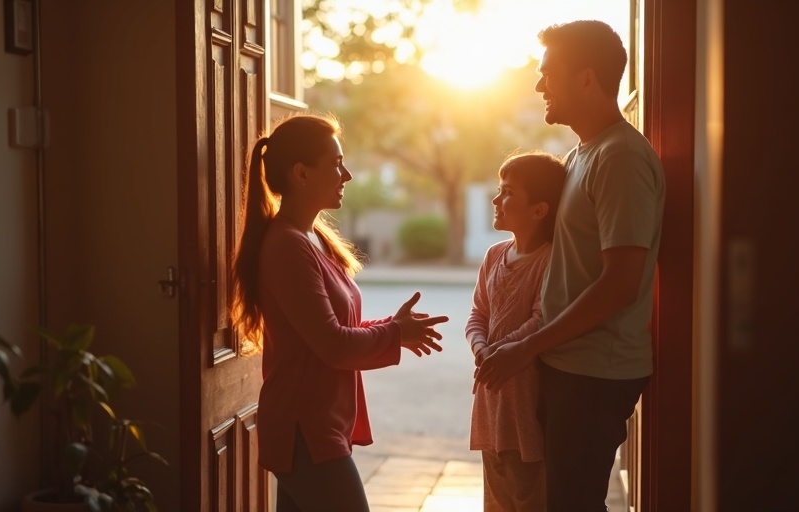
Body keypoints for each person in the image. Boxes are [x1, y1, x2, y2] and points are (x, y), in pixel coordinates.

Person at [475, 20, 666, 512]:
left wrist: (524, 347)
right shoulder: (583, 153)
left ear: (585, 78)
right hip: (568, 365)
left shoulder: (620, 157)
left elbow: (620, 283)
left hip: (596, 371)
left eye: (548, 73)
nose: (539, 85)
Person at [230, 113, 449, 512]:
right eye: (335, 163)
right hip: (304, 427)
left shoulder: (315, 239)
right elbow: (332, 344)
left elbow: (330, 328)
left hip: (317, 422)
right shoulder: (287, 246)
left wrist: (394, 327)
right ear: (301, 173)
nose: (346, 175)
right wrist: (396, 334)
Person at [466, 151, 566, 512]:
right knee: (496, 498)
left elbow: (542, 319)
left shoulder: (550, 260)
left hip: (524, 404)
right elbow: (478, 313)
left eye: (507, 192)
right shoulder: (494, 255)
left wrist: (499, 351)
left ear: (539, 210)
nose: (496, 200)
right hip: (492, 401)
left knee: (528, 496)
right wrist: (481, 348)